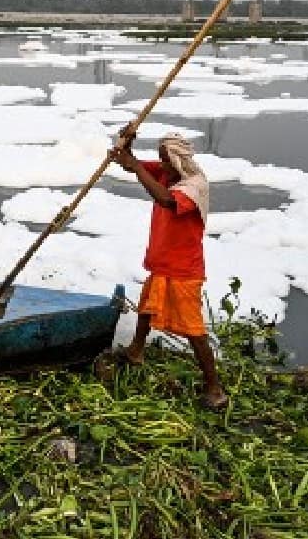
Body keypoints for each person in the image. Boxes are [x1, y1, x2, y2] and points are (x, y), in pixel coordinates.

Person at [108, 128, 228, 409]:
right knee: (147, 308)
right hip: (164, 262)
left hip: (184, 269)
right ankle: (136, 351)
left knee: (194, 331)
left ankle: (215, 388)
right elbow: (126, 161)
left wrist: (137, 167)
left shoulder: (194, 185)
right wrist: (126, 142)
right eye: (159, 160)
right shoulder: (166, 173)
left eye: (164, 160)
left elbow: (166, 199)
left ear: (176, 161)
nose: (160, 165)